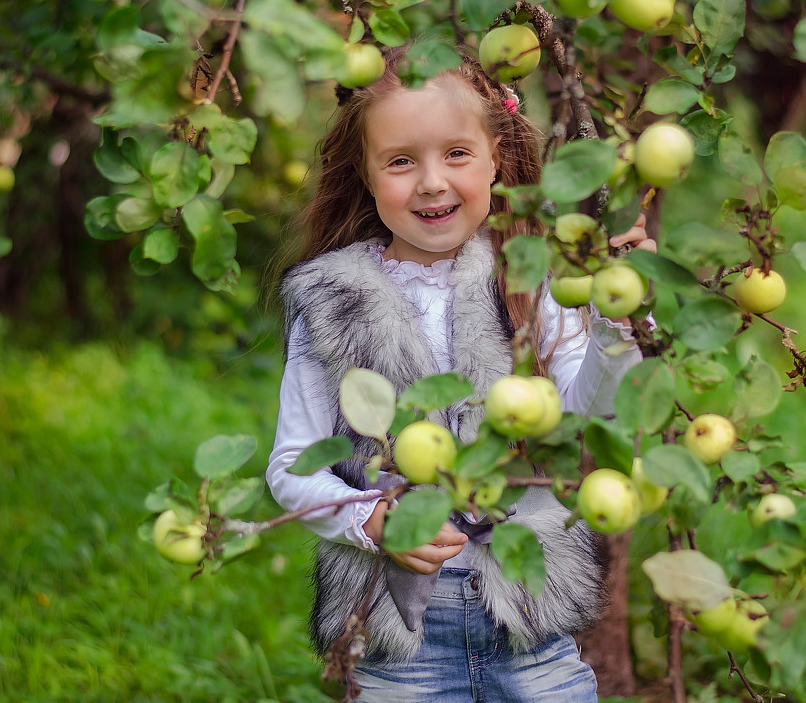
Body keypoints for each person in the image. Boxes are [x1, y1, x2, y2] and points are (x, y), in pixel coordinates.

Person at [266, 44, 652, 701]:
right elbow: (291, 464)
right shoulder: (331, 299)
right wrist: (373, 519)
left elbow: (592, 424)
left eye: (456, 153)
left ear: (496, 155)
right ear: (363, 170)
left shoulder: (533, 280)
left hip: (531, 628)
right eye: (400, 161)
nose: (432, 182)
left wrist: (620, 324)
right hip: (401, 642)